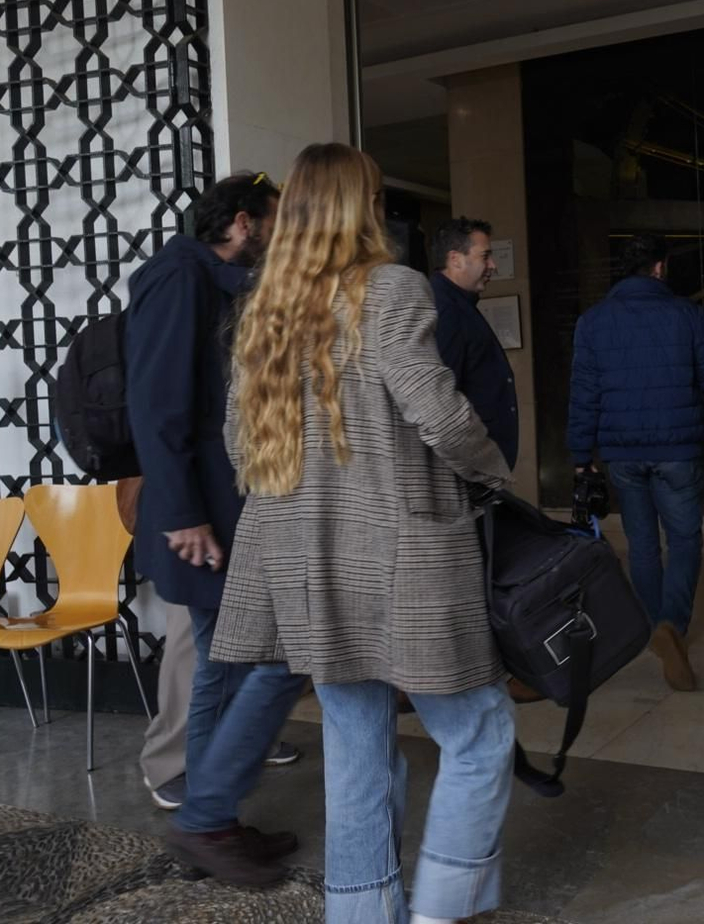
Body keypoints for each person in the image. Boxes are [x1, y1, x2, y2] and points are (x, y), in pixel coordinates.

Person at [202, 143, 517, 916]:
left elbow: (242, 449)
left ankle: (362, 912)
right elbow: (439, 412)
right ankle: (444, 906)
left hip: (306, 561)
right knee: (479, 727)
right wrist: (490, 472)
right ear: (360, 207)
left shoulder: (266, 306)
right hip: (402, 550)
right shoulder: (393, 289)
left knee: (356, 743)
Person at [124, 172, 301, 818]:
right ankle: (205, 809)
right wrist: (183, 514)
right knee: (219, 656)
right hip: (201, 513)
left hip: (226, 504)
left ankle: (216, 789)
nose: (282, 233)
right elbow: (157, 405)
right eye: (275, 220)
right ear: (244, 222)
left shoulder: (216, 279)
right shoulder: (178, 276)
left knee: (233, 652)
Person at [566, 234, 704, 692]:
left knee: (643, 544)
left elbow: (584, 395)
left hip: (623, 452)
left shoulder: (593, 322)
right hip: (677, 449)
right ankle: (672, 626)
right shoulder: (685, 314)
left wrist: (580, 455)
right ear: (660, 269)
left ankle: (654, 628)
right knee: (684, 539)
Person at [429, 217, 517, 468]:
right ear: (455, 259)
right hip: (470, 472)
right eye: (485, 256)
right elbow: (441, 400)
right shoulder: (446, 310)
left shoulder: (460, 304)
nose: (493, 266)